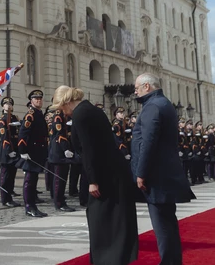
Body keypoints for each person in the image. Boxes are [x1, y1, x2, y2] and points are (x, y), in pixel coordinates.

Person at [57, 85, 139, 265]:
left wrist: (93, 180)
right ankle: (117, 256)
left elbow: (88, 149)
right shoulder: (92, 110)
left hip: (104, 173)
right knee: (115, 217)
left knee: (101, 218)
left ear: (67, 102)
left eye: (62, 107)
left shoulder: (80, 114)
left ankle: (108, 258)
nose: (64, 112)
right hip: (114, 169)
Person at [132, 73, 195, 265]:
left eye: (137, 87)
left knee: (162, 224)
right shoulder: (163, 103)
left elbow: (148, 142)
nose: (134, 91)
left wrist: (141, 172)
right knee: (167, 221)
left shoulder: (152, 106)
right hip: (164, 173)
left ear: (147, 87)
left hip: (156, 175)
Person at [18, 89, 48, 218]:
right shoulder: (30, 114)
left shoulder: (39, 113)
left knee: (33, 180)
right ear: (31, 101)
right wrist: (23, 151)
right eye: (36, 99)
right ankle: (29, 207)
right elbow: (23, 133)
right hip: (30, 152)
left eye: (40, 99)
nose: (39, 100)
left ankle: (33, 205)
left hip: (38, 151)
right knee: (29, 181)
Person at [48, 87, 77, 213]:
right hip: (59, 152)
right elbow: (60, 135)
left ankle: (60, 200)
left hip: (61, 151)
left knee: (62, 178)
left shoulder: (63, 116)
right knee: (59, 179)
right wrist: (66, 149)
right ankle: (59, 203)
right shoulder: (58, 116)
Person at [0, 96, 21, 207]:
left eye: (10, 104)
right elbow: (4, 137)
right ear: (3, 106)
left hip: (15, 150)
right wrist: (8, 151)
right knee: (5, 177)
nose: (9, 105)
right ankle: (5, 199)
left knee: (12, 175)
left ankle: (10, 195)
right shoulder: (2, 120)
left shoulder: (15, 118)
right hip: (7, 152)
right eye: (6, 104)